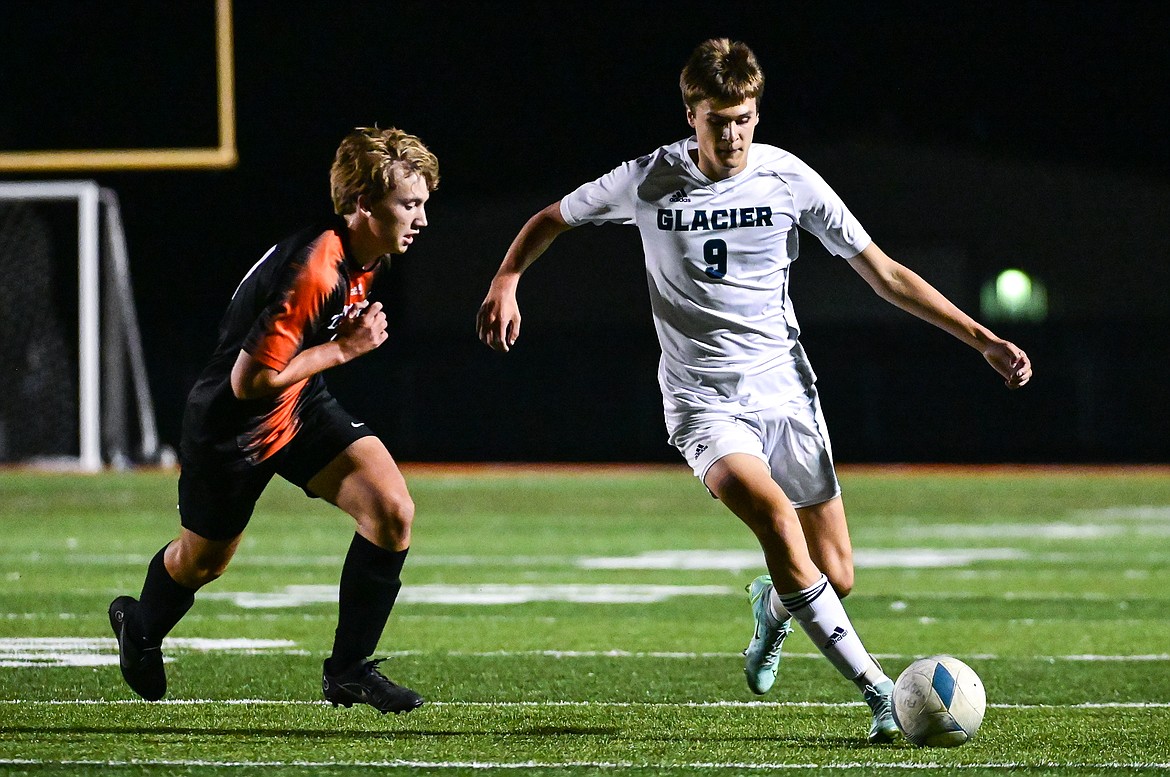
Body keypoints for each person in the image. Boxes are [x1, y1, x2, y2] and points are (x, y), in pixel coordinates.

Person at [476, 39, 1032, 743]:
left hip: (786, 394)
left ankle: (772, 611)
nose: (732, 134)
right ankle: (881, 692)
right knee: (773, 516)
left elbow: (885, 274)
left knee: (834, 573)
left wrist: (982, 338)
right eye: (717, 120)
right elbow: (552, 217)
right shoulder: (647, 177)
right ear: (691, 115)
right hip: (702, 403)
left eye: (743, 117)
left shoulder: (788, 179)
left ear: (757, 112)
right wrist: (506, 277)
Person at [109, 126, 439, 715]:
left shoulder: (369, 252)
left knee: (391, 511)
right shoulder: (316, 268)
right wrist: (343, 350)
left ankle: (348, 672)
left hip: (297, 403)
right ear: (362, 206)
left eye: (423, 203)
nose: (420, 218)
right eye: (408, 204)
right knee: (203, 561)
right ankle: (139, 625)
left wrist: (329, 357)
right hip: (231, 425)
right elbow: (248, 381)